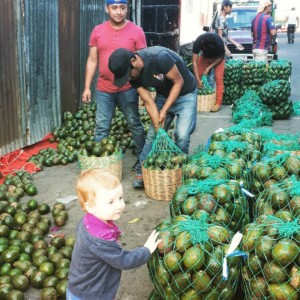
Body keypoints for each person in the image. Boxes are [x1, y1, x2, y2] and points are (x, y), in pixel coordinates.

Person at [108, 46, 198, 188]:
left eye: (129, 74)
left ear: (134, 61)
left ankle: (180, 171)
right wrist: (157, 125)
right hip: (163, 94)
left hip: (185, 93)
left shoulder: (159, 57)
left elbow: (178, 82)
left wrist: (164, 110)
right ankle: (142, 171)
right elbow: (148, 101)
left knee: (182, 134)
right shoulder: (133, 75)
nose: (129, 78)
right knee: (152, 135)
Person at [67, 169, 161, 300]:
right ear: (90, 207)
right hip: (91, 295)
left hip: (79, 287)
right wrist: (146, 251)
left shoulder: (86, 221)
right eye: (111, 202)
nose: (119, 205)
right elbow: (124, 260)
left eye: (120, 198)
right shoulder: (101, 239)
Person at [81, 0, 146, 181]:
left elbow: (142, 62)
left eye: (122, 7)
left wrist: (142, 90)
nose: (118, 12)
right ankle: (98, 165)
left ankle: (143, 159)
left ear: (127, 8)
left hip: (128, 88)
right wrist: (87, 87)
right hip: (104, 89)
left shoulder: (136, 32)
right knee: (101, 127)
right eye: (114, 8)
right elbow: (92, 60)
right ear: (107, 8)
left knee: (134, 123)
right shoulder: (97, 31)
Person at [192, 33, 226, 113]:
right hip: (204, 57)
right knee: (198, 77)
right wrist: (197, 79)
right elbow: (194, 62)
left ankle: (218, 103)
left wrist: (209, 67)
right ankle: (195, 100)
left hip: (218, 59)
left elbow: (221, 57)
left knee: (219, 78)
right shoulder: (198, 41)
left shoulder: (219, 42)